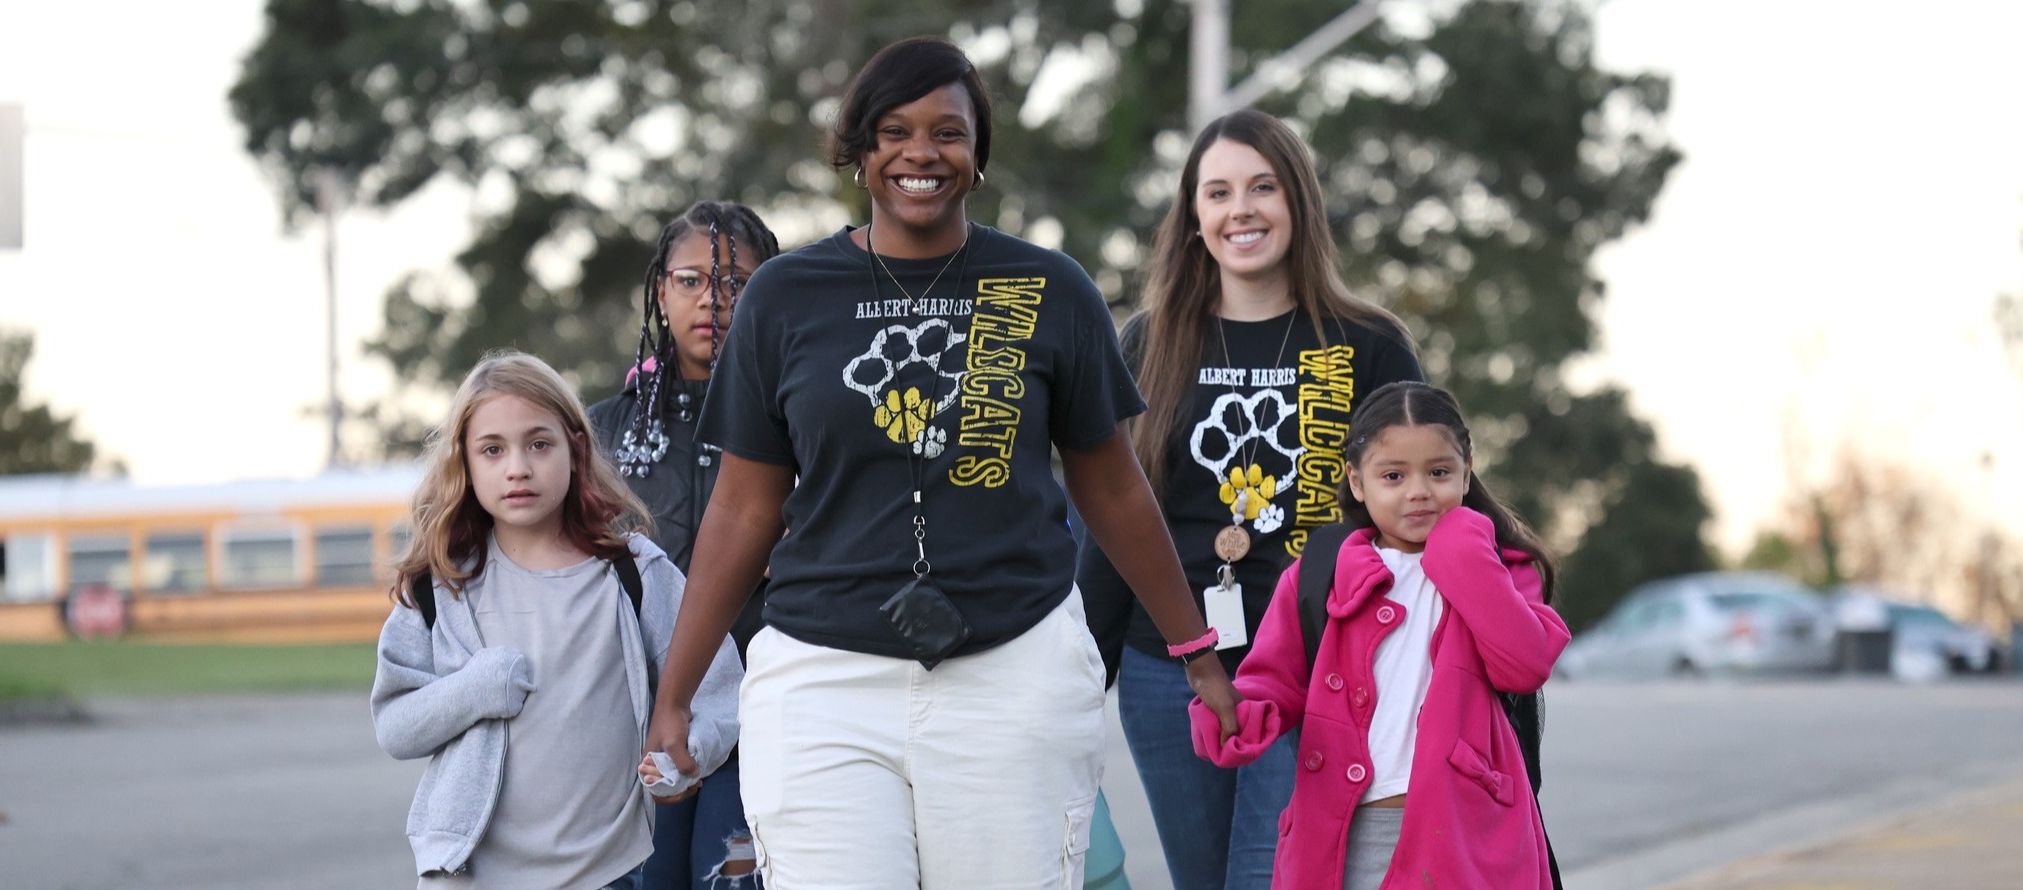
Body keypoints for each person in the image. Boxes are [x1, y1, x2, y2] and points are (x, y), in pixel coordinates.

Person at [644, 36, 1239, 889]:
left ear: (978, 155)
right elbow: (743, 508)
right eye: (893, 131)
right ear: (859, 151)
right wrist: (677, 696)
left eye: (947, 132)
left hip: (1012, 670)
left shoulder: (1047, 288)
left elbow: (1112, 486)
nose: (920, 153)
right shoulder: (785, 295)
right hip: (824, 679)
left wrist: (1198, 652)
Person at [1075, 108, 1423, 890]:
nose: (1242, 209)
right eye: (1219, 192)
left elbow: (1422, 510)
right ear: (1194, 217)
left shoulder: (1369, 344)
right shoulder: (1149, 342)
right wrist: (1076, 687)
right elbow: (1109, 519)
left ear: (1297, 202)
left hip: (1315, 669)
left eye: (1263, 187)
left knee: (1274, 876)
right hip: (1168, 669)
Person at [371, 350, 745, 889]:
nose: (517, 466)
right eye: (493, 450)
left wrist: (687, 758)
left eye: (538, 444)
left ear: (575, 449)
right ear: (465, 463)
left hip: (609, 871)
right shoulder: (441, 585)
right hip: (471, 875)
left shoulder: (633, 571)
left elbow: (720, 691)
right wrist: (474, 689)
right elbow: (395, 726)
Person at [1189, 380, 1570, 889]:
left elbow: (1524, 665)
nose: (1418, 491)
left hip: (1467, 833)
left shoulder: (1504, 566)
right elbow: (1275, 680)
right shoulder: (1316, 574)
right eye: (1393, 475)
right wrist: (1240, 715)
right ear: (1358, 481)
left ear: (1466, 470)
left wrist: (1460, 546)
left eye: (1439, 472)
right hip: (1351, 833)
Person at [589, 201, 780, 890]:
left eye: (738, 282)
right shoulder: (599, 434)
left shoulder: (803, 416)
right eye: (693, 280)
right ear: (661, 291)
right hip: (635, 725)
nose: (715, 301)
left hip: (765, 711)